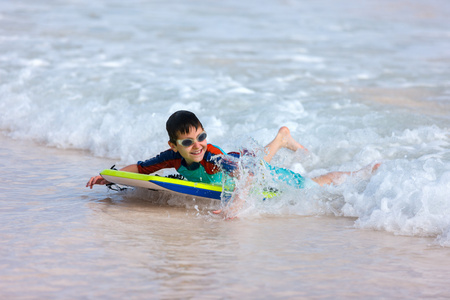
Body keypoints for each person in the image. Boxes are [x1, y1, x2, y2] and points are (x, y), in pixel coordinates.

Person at [86, 110, 379, 217]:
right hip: (243, 164)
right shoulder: (169, 157)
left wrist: (237, 204)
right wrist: (111, 177)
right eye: (188, 142)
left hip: (251, 172)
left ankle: (361, 171)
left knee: (311, 185)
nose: (197, 145)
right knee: (255, 158)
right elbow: (139, 169)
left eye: (201, 136)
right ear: (174, 146)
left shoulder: (212, 156)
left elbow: (249, 175)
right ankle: (280, 139)